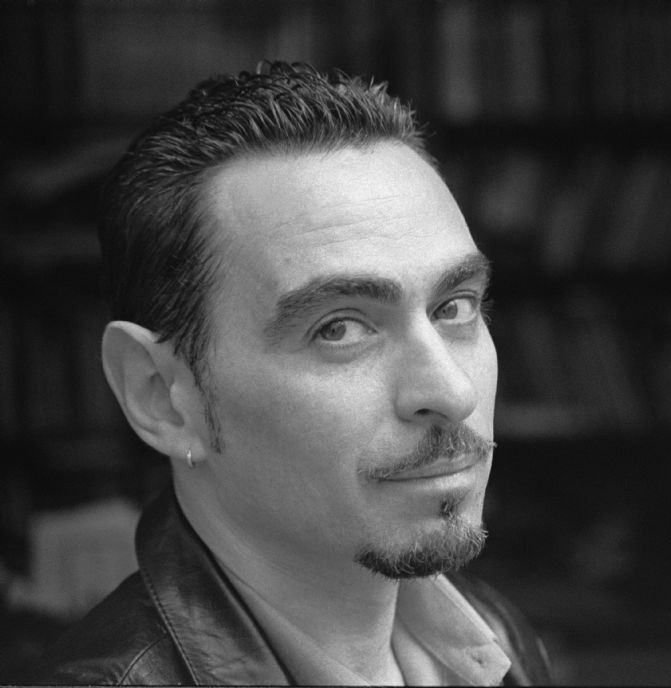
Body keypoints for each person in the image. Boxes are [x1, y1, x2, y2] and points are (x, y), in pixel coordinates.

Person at [36, 62, 552, 686]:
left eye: (455, 307)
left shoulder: (494, 636)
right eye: (339, 328)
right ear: (161, 397)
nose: (452, 391)